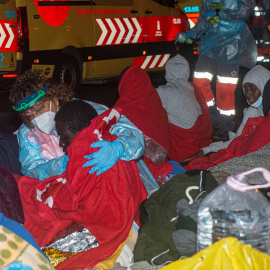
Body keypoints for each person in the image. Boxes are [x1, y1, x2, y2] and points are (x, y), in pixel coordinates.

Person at [18, 100, 147, 269]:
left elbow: (70, 201)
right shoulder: (104, 136)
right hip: (121, 215)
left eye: (64, 138)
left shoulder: (86, 150)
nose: (62, 144)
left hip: (103, 226)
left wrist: (47, 193)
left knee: (44, 258)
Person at [9, 69, 144, 181]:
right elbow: (31, 171)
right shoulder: (27, 133)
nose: (35, 118)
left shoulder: (83, 111)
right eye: (28, 115)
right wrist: (62, 165)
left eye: (39, 108)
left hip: (111, 180)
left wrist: (118, 148)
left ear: (54, 98)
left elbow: (134, 135)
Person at [177, 0, 257, 130]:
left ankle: (225, 126)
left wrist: (221, 13)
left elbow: (246, 10)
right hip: (209, 47)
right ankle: (210, 118)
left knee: (225, 89)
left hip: (230, 48)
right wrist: (190, 34)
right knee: (199, 82)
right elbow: (203, 22)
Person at [188, 65, 270, 159]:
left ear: (265, 87)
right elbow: (237, 141)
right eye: (245, 88)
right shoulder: (252, 112)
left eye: (252, 88)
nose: (247, 93)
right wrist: (206, 150)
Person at [156, 54, 212, 162]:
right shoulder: (193, 87)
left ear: (167, 71)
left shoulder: (163, 91)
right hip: (201, 141)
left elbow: (151, 113)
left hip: (183, 147)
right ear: (187, 72)